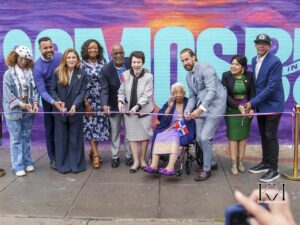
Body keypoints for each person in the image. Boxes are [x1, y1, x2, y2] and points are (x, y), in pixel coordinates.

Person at [180, 48, 227, 181]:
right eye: (182, 61)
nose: (185, 63)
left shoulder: (206, 68)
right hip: (201, 107)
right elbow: (192, 96)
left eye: (187, 59)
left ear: (194, 57)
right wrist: (188, 109)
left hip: (215, 107)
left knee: (205, 137)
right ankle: (211, 162)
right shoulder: (188, 76)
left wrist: (200, 109)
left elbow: (212, 91)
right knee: (199, 138)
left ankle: (207, 169)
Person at [244, 34, 284, 182]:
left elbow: (271, 87)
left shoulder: (275, 62)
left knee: (270, 135)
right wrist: (254, 104)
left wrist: (252, 103)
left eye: (264, 43)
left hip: (273, 105)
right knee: (263, 134)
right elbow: (256, 85)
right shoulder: (255, 60)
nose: (260, 46)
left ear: (269, 46)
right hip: (261, 105)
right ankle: (266, 162)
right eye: (258, 43)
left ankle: (274, 169)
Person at [144, 82, 195, 176]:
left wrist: (179, 124)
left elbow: (191, 119)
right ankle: (154, 165)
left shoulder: (188, 103)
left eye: (180, 92)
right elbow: (162, 118)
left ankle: (170, 167)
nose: (178, 95)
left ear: (184, 93)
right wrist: (169, 107)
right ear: (172, 94)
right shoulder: (170, 103)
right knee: (159, 135)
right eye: (176, 93)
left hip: (183, 129)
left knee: (174, 137)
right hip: (168, 127)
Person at [3, 45, 39, 176]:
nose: (23, 61)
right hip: (14, 111)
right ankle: (17, 166)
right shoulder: (9, 74)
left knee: (26, 137)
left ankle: (27, 162)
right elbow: (8, 95)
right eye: (21, 58)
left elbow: (35, 90)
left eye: (26, 59)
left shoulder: (31, 73)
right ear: (15, 57)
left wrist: (35, 103)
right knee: (16, 139)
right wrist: (22, 104)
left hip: (28, 111)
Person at [50, 48, 87, 174]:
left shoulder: (82, 73)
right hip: (60, 111)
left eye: (74, 57)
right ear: (65, 59)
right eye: (69, 57)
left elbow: (82, 92)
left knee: (75, 138)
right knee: (61, 138)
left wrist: (75, 105)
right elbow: (52, 90)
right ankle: (63, 166)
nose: (71, 60)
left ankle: (76, 165)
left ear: (77, 59)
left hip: (75, 111)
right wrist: (58, 102)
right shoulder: (57, 72)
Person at [118, 51, 154, 173]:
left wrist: (138, 106)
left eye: (139, 62)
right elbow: (121, 92)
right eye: (134, 62)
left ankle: (143, 160)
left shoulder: (149, 77)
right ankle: (136, 161)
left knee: (144, 136)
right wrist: (120, 101)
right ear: (131, 63)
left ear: (142, 62)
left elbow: (147, 94)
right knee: (132, 137)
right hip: (129, 112)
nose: (136, 65)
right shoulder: (125, 74)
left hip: (144, 111)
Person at [221, 55, 255, 175]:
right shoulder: (226, 76)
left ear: (243, 67)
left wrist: (251, 108)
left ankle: (241, 162)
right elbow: (225, 95)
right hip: (232, 110)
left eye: (236, 64)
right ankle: (234, 163)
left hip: (246, 109)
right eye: (232, 63)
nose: (233, 66)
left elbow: (252, 93)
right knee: (233, 137)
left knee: (243, 137)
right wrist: (237, 106)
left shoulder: (250, 76)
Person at [100, 44, 132, 168]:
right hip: (113, 104)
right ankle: (115, 156)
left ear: (124, 52)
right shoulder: (105, 70)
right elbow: (104, 89)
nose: (118, 55)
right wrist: (104, 104)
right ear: (111, 54)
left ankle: (129, 155)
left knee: (130, 131)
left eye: (121, 52)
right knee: (115, 132)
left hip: (130, 104)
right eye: (115, 53)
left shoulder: (130, 62)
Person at [33, 36, 62, 170]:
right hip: (49, 102)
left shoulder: (60, 57)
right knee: (50, 130)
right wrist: (53, 102)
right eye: (45, 48)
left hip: (63, 97)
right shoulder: (37, 67)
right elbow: (41, 91)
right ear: (40, 49)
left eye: (51, 47)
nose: (49, 50)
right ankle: (53, 158)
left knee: (63, 128)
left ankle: (64, 155)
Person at [80, 39, 110, 169]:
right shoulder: (81, 64)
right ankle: (96, 155)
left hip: (101, 99)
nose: (93, 50)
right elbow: (80, 86)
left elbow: (106, 81)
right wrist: (86, 103)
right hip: (88, 99)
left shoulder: (103, 62)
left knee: (99, 127)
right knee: (91, 127)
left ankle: (93, 151)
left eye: (95, 48)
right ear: (86, 50)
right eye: (90, 48)